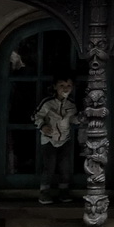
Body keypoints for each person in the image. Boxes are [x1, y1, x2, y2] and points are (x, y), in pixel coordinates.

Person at [32, 75, 77, 204]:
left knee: (65, 166)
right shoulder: (47, 103)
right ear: (55, 87)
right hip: (49, 139)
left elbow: (72, 119)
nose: (65, 88)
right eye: (62, 85)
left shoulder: (71, 104)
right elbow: (36, 116)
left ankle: (64, 190)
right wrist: (42, 126)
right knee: (49, 166)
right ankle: (44, 191)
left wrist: (80, 119)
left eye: (68, 86)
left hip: (65, 139)